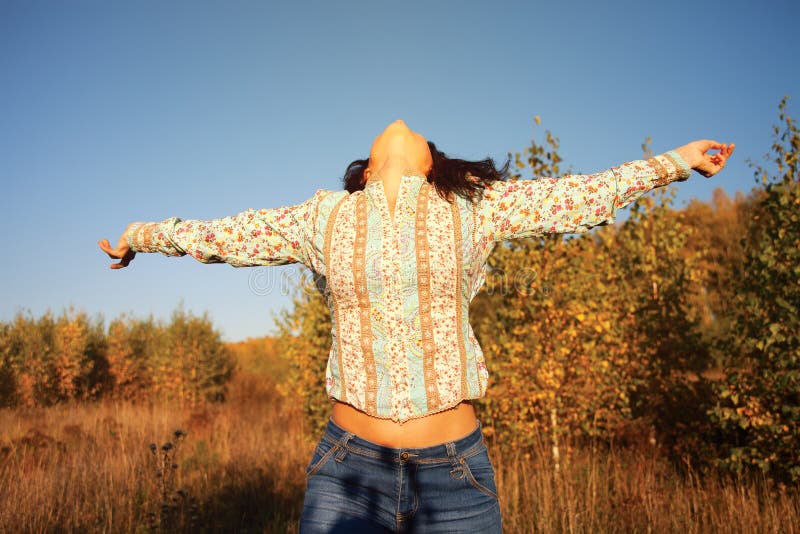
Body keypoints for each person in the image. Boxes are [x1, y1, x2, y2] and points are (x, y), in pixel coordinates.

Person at [98, 120, 734, 533]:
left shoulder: (475, 205)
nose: (401, 127)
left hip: (455, 475)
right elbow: (224, 235)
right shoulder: (323, 216)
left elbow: (577, 195)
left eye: (420, 136)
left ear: (432, 164)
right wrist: (141, 236)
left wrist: (674, 162)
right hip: (347, 473)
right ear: (367, 173)